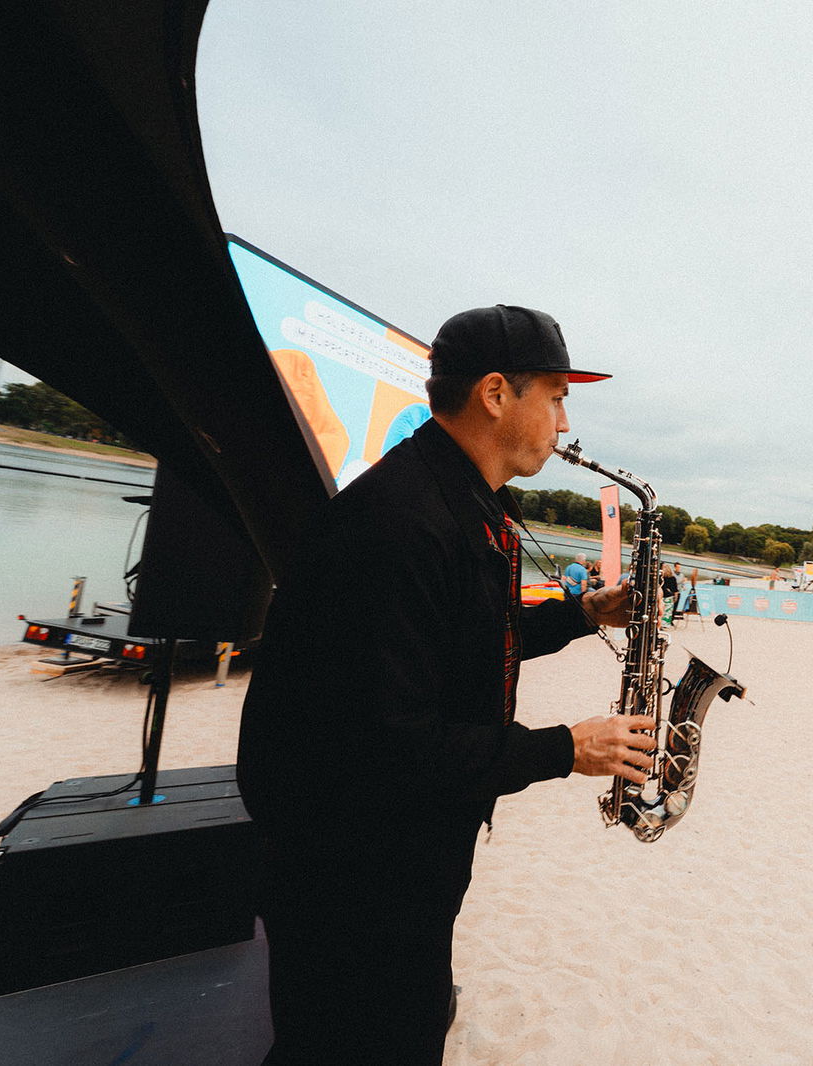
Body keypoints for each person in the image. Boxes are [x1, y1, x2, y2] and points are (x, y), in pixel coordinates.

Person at [237, 305, 654, 1065]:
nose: (564, 420)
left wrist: (584, 611)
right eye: (556, 396)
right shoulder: (398, 524)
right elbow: (392, 747)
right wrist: (566, 749)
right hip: (352, 875)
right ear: (497, 393)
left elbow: (466, 637)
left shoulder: (459, 500)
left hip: (401, 860)